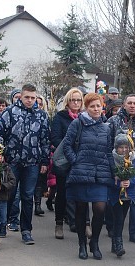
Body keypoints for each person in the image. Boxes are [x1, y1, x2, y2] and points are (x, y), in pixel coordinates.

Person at [0, 84, 51, 245]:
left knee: (27, 196)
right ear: (21, 96)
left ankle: (26, 230)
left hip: (32, 162)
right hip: (12, 161)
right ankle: (2, 225)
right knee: (9, 194)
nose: (30, 100)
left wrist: (45, 161)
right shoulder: (10, 112)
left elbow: (45, 140)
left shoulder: (41, 115)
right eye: (27, 97)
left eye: (33, 98)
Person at [64, 93, 114, 260]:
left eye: (98, 106)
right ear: (86, 107)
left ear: (102, 107)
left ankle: (95, 242)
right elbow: (67, 146)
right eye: (92, 106)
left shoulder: (106, 127)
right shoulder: (77, 123)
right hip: (81, 173)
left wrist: (114, 172)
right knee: (81, 210)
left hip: (101, 174)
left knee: (100, 209)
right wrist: (75, 161)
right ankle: (82, 244)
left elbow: (109, 151)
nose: (96, 109)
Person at [107, 94, 135, 244]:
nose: (132, 106)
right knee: (114, 199)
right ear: (124, 105)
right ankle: (112, 228)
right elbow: (107, 144)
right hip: (116, 166)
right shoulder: (113, 121)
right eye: (129, 103)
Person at [51, 88, 86, 239]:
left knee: (81, 194)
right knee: (62, 194)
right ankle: (59, 224)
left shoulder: (86, 117)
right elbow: (56, 138)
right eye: (73, 100)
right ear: (68, 101)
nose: (76, 103)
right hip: (65, 161)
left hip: (81, 161)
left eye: (78, 100)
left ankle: (80, 223)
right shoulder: (60, 117)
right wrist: (71, 150)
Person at [108, 133, 135, 257]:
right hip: (115, 195)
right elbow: (107, 178)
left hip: (128, 194)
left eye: (126, 147)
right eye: (121, 147)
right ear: (116, 147)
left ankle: (114, 243)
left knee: (122, 219)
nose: (124, 150)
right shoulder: (111, 159)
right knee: (117, 218)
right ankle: (119, 245)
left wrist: (130, 182)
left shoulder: (133, 159)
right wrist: (118, 183)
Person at [34, 95, 50, 216]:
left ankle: (38, 204)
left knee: (40, 180)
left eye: (40, 104)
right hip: (31, 153)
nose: (38, 106)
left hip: (41, 153)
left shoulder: (45, 117)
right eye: (36, 103)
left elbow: (46, 138)